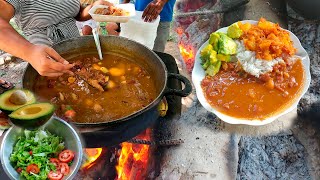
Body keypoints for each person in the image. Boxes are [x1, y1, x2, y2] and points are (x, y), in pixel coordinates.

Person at [0, 0, 113, 77]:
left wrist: (93, 9)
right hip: (47, 64)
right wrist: (29, 51)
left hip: (78, 53)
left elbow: (77, 13)